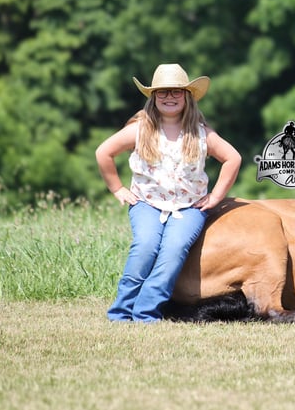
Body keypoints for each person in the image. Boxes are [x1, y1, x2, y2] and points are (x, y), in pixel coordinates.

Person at [95, 63, 242, 322]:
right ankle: (121, 312)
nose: (169, 97)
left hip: (189, 207)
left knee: (174, 249)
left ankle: (146, 312)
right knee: (145, 246)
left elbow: (233, 158)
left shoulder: (200, 133)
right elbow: (104, 152)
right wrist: (117, 188)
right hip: (147, 204)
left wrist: (216, 196)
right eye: (162, 92)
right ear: (153, 97)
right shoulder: (140, 129)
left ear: (187, 96)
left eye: (176, 91)